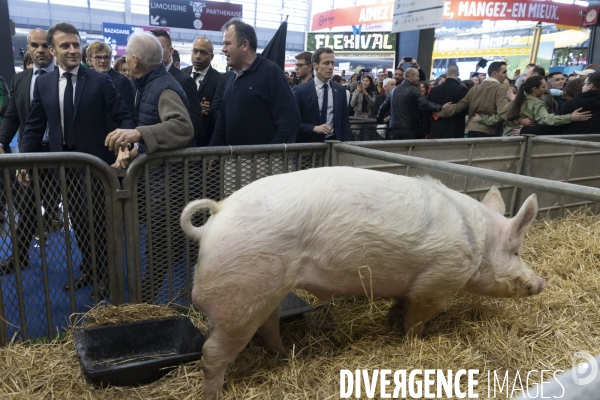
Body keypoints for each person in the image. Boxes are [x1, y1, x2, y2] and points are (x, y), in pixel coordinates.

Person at [19, 22, 136, 298]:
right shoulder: (46, 83)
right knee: (79, 224)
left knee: (98, 224)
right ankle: (92, 270)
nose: (72, 50)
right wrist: (23, 160)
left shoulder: (99, 80)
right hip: (63, 169)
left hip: (95, 167)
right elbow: (34, 126)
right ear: (52, 50)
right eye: (65, 45)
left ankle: (108, 277)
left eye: (75, 44)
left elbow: (125, 117)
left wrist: (127, 143)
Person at [104, 32, 194, 302]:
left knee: (159, 248)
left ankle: (146, 302)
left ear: (134, 60)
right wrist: (135, 152)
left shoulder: (162, 87)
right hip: (160, 183)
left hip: (167, 186)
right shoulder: (150, 84)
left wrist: (138, 134)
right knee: (159, 247)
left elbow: (182, 127)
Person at [209, 18, 300, 146]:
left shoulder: (272, 73)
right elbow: (223, 120)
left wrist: (270, 154)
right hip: (231, 158)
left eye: (227, 43)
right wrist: (214, 149)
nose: (223, 49)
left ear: (245, 45)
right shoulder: (230, 77)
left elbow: (290, 120)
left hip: (262, 161)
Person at [150, 29, 202, 146]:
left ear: (170, 51)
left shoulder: (184, 80)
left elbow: (194, 122)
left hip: (176, 153)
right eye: (152, 48)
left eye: (159, 47)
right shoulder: (147, 80)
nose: (155, 52)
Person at [436, 61, 511, 138]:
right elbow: (503, 115)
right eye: (504, 72)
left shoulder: (474, 89)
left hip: (472, 131)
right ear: (494, 73)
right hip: (489, 133)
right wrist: (481, 119)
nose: (506, 75)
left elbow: (458, 107)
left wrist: (438, 113)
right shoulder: (500, 88)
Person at [292, 47, 350, 143]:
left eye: (332, 63)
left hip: (334, 146)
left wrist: (346, 147)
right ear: (315, 65)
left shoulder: (340, 90)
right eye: (326, 63)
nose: (331, 67)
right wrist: (313, 128)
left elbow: (344, 123)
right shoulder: (300, 91)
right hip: (308, 147)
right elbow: (293, 122)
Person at [376, 67, 450, 140]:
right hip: (408, 129)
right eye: (417, 76)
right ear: (411, 77)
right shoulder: (413, 90)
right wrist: (441, 107)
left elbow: (383, 107)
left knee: (394, 151)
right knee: (407, 151)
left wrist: (378, 120)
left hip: (393, 128)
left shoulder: (394, 91)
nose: (418, 78)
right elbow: (425, 103)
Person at [503, 76, 591, 136]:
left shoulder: (518, 100)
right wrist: (570, 117)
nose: (545, 90)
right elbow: (546, 119)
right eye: (543, 87)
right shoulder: (537, 103)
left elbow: (502, 115)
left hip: (506, 136)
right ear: (535, 89)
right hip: (519, 141)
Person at [86, 41, 135, 138]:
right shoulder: (86, 80)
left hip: (114, 139)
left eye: (106, 57)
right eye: (98, 57)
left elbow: (128, 115)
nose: (103, 61)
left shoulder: (121, 81)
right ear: (89, 61)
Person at [181, 37, 221, 146]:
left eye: (203, 53)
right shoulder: (182, 74)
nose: (198, 56)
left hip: (204, 141)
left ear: (211, 56)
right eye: (195, 51)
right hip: (182, 138)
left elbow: (220, 111)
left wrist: (210, 110)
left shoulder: (219, 80)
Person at [427, 64, 469, 139]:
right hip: (454, 131)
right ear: (458, 74)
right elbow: (465, 110)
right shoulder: (462, 90)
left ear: (446, 74)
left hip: (435, 130)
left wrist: (426, 130)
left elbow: (427, 109)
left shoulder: (434, 90)